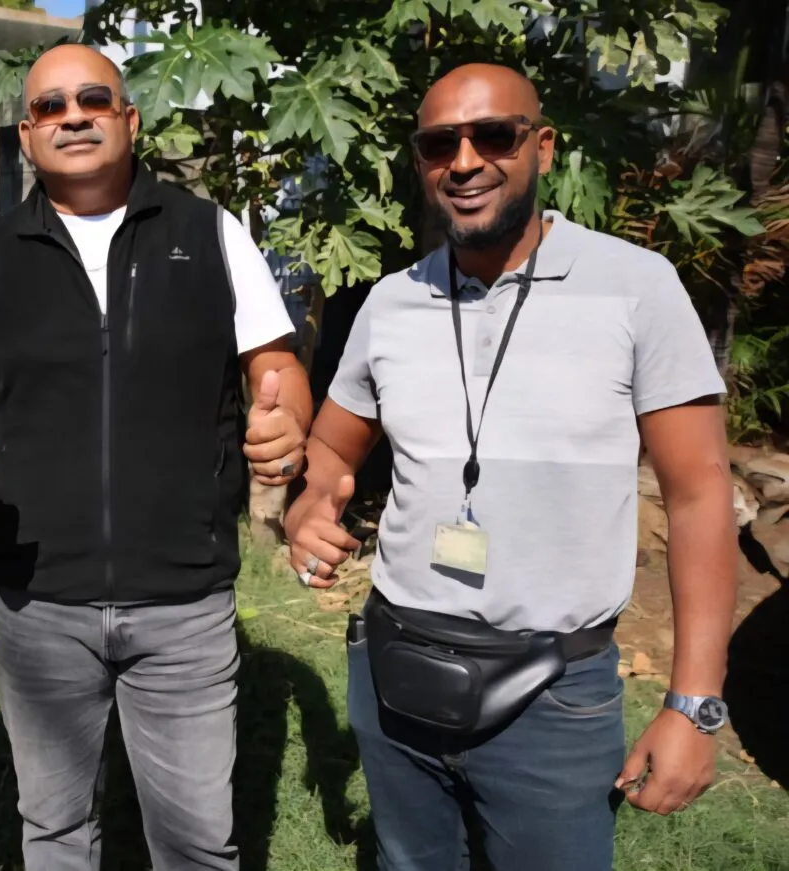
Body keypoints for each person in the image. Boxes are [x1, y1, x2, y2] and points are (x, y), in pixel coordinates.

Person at [285, 63, 737, 870]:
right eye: (439, 145)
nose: (464, 162)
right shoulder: (390, 302)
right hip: (395, 668)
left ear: (543, 147)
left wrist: (694, 704)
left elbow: (701, 493)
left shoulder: (636, 288)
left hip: (552, 697)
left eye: (493, 135)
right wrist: (309, 507)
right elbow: (331, 446)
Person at [0, 44, 311, 870]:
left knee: (199, 841)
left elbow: (277, 368)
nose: (73, 117)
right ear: (27, 135)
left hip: (184, 597)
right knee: (54, 829)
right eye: (49, 106)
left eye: (93, 99)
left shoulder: (210, 234)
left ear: (129, 119)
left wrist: (288, 418)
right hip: (37, 602)